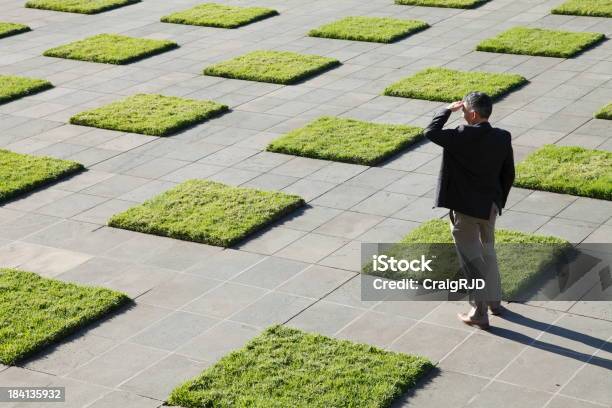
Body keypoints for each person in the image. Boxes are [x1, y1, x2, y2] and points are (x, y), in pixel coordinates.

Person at [423, 92, 515, 329]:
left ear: (472, 114)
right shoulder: (503, 137)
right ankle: (495, 303)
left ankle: (478, 312)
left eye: (463, 112)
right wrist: (497, 202)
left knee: (471, 260)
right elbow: (509, 174)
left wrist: (447, 110)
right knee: (488, 254)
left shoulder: (461, 135)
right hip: (490, 208)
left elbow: (430, 132)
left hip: (465, 210)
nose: (462, 115)